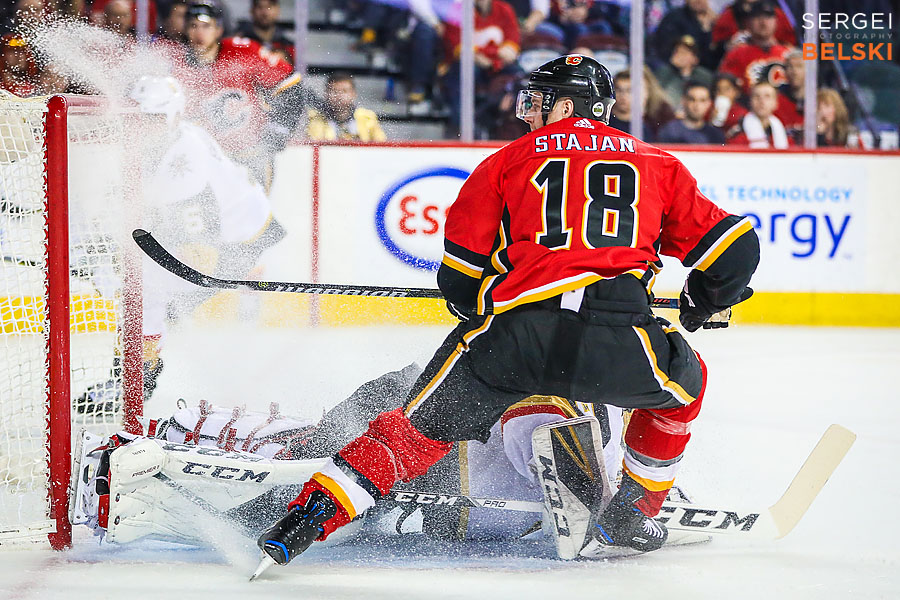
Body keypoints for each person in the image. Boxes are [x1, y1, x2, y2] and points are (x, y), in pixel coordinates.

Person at [256, 54, 759, 565]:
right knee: (682, 385)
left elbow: (458, 281)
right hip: (621, 337)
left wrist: (483, 309)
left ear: (568, 104)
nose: (529, 113)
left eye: (538, 102)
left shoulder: (506, 160)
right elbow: (737, 246)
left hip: (512, 340)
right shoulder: (657, 164)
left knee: (405, 431)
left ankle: (301, 520)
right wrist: (704, 300)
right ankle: (634, 508)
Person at [75, 75, 286, 411]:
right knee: (140, 284)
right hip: (233, 225)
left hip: (242, 236)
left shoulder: (184, 165)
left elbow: (197, 252)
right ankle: (136, 366)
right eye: (138, 119)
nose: (145, 127)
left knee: (145, 286)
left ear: (173, 116)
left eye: (154, 119)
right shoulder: (164, 143)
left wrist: (117, 261)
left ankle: (138, 372)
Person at [176, 1, 293, 187]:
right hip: (206, 162)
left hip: (250, 157)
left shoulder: (243, 51)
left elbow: (290, 84)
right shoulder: (178, 67)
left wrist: (279, 128)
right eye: (193, 25)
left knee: (254, 215)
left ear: (219, 30)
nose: (199, 33)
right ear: (185, 29)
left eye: (206, 26)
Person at [718, 0, 793, 95]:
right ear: (748, 23)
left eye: (768, 17)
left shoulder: (788, 54)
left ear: (776, 21)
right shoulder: (736, 54)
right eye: (757, 17)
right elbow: (725, 88)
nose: (763, 22)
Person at [305, 72, 386, 142]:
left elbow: (382, 146)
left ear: (353, 94)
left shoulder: (367, 117)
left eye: (344, 91)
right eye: (334, 91)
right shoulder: (315, 117)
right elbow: (313, 145)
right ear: (326, 94)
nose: (339, 96)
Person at [654, 35, 714, 108]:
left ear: (695, 59)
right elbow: (656, 94)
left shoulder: (704, 76)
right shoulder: (664, 72)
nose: (680, 55)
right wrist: (672, 67)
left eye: (684, 52)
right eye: (677, 51)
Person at [726, 80, 791, 148]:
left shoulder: (784, 133)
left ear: (776, 103)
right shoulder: (739, 134)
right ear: (750, 101)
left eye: (767, 96)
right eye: (757, 96)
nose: (762, 101)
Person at [657, 82, 725, 145]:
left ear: (709, 103)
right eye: (692, 99)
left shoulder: (716, 135)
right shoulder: (669, 131)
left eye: (702, 100)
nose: (697, 105)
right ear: (683, 101)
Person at [234, 0, 295, 66]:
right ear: (252, 11)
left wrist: (285, 62)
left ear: (278, 10)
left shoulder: (289, 46)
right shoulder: (240, 43)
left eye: (269, 7)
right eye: (260, 7)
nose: (265, 13)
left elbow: (298, 73)